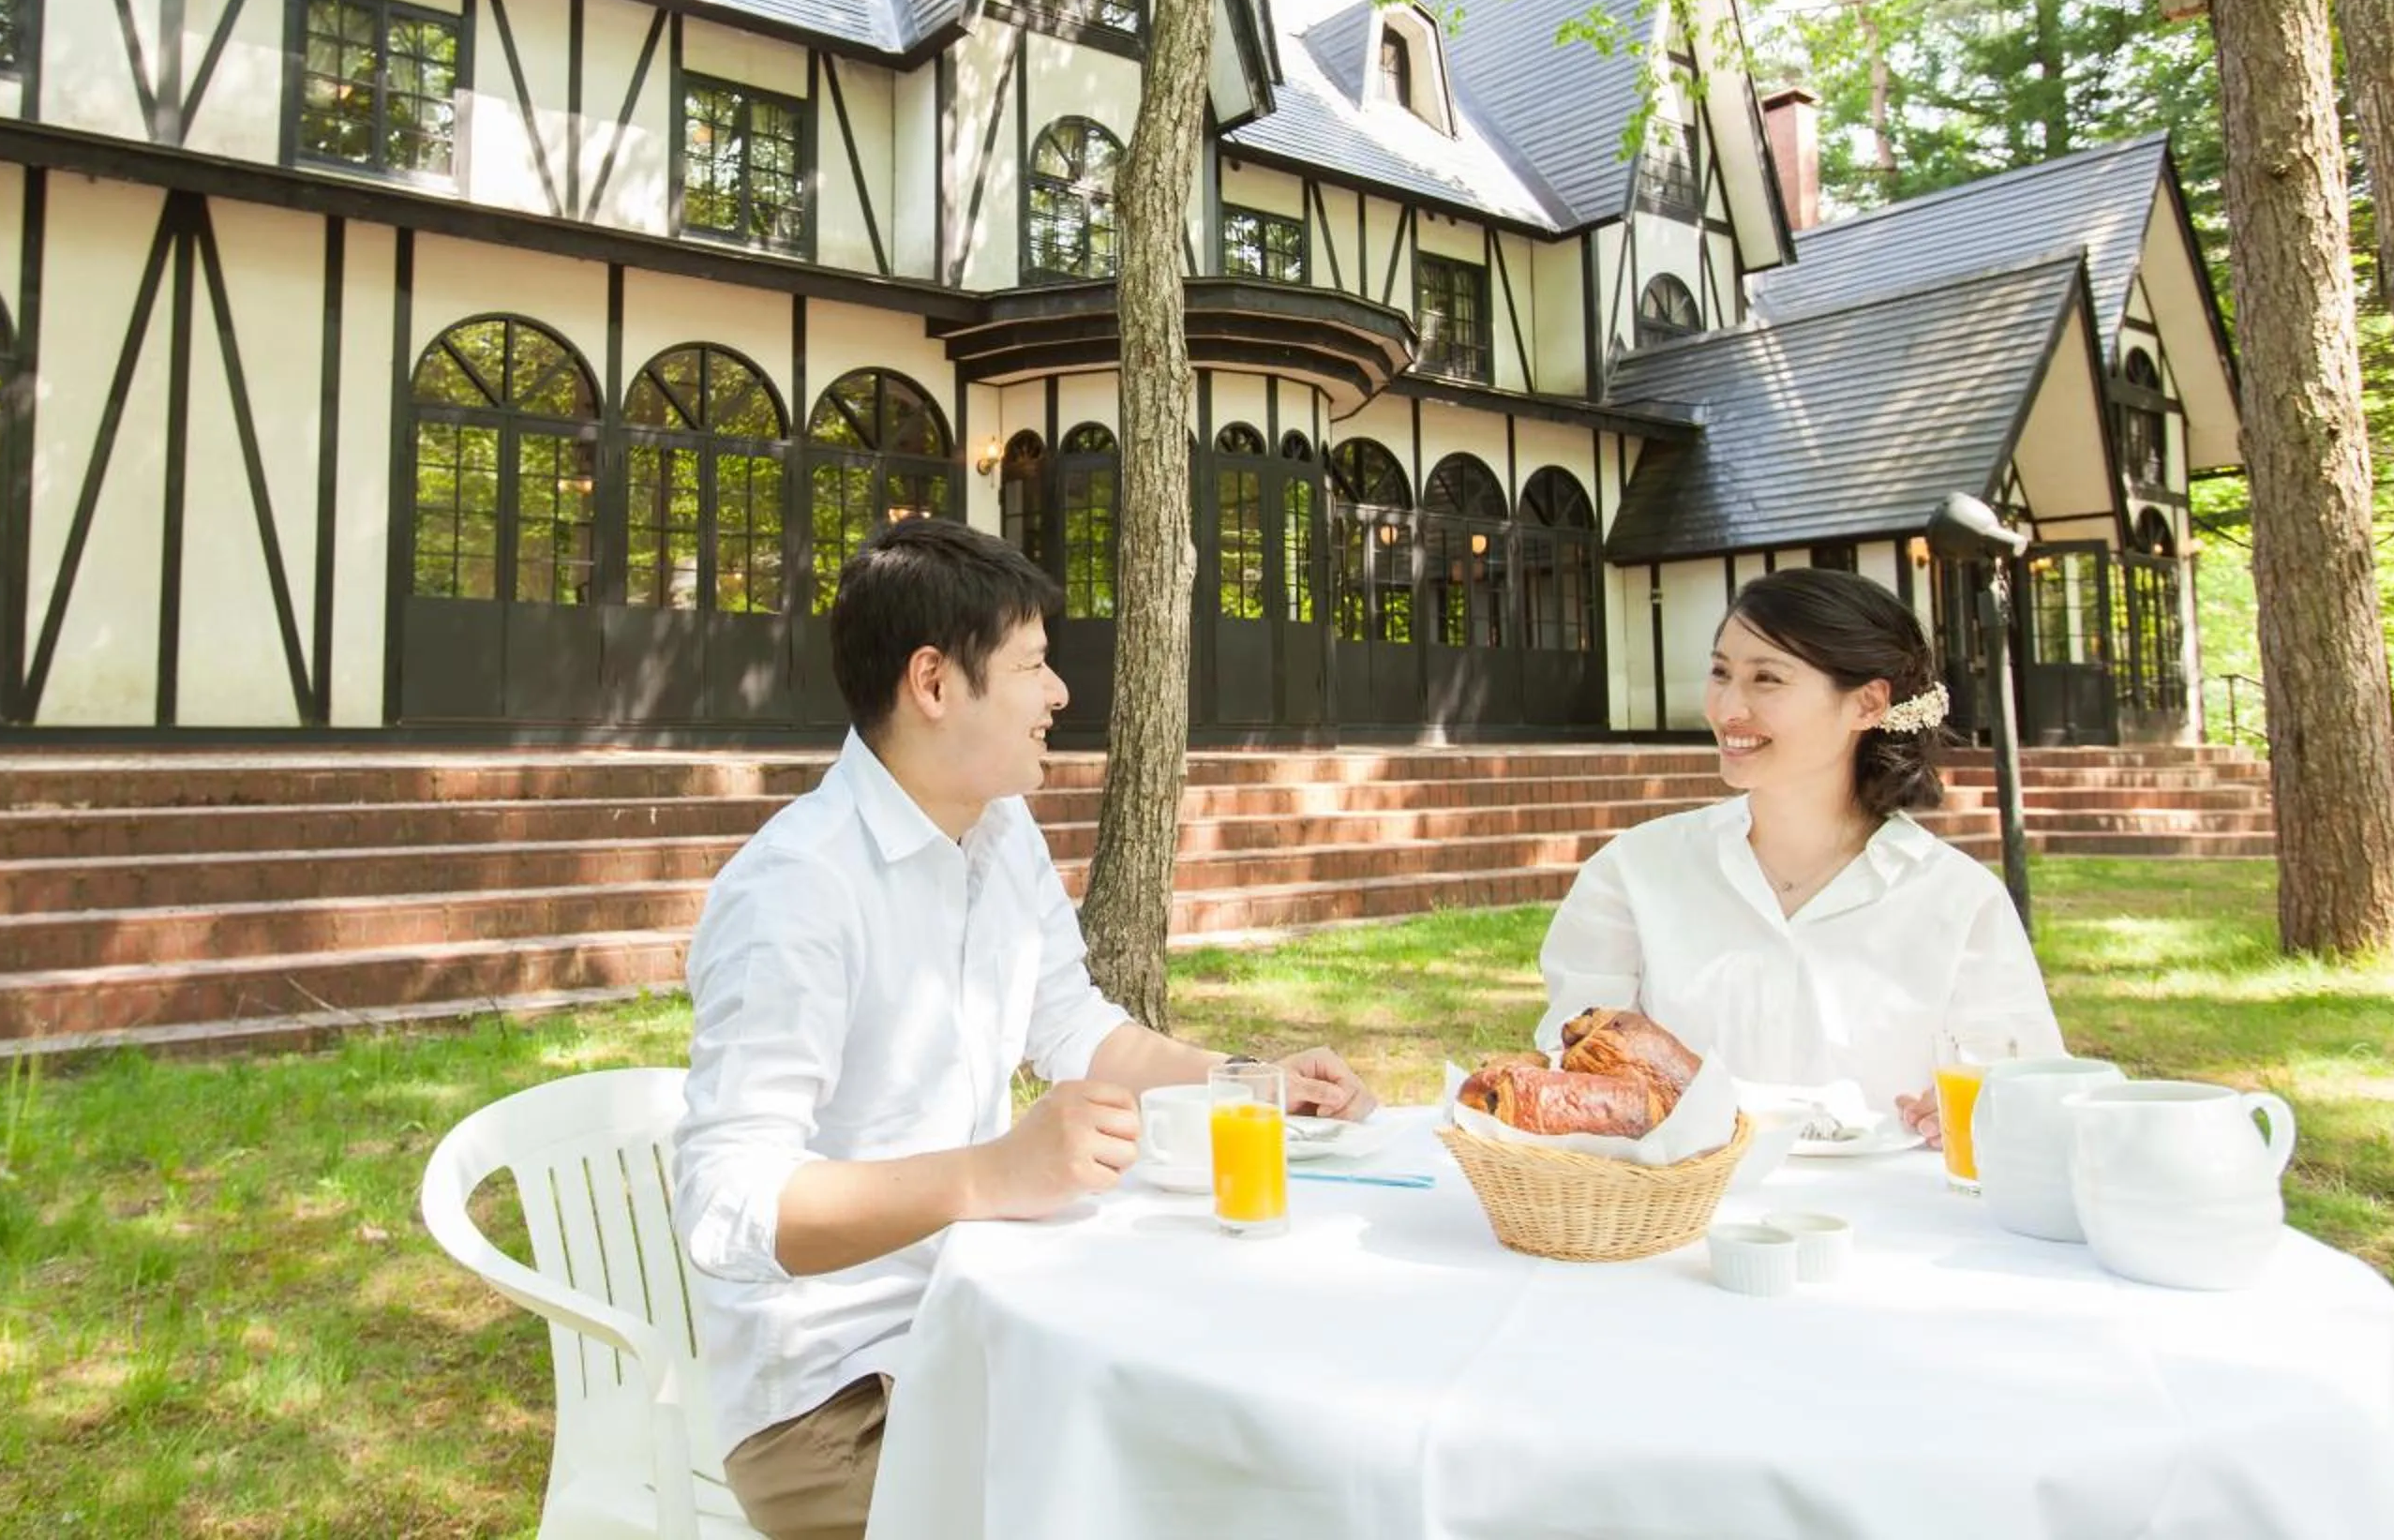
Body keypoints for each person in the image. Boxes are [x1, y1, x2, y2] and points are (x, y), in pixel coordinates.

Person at [672, 516, 1374, 1540]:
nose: (1059, 695)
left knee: (1252, 1446)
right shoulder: (796, 894)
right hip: (836, 1402)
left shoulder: (998, 830)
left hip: (983, 1331)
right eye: (1035, 666)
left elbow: (1078, 1027)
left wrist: (1248, 1078)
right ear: (934, 682)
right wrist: (991, 1173)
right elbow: (728, 1206)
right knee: (1162, 1498)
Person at [1533, 566, 2063, 1142]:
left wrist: (1978, 1105)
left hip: (1894, 1219)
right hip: (1678, 1216)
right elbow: (1573, 1068)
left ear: (1867, 704)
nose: (1728, 708)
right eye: (1720, 672)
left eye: (1767, 679)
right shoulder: (1636, 872)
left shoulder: (1957, 900)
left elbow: (2024, 1087)